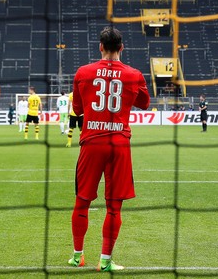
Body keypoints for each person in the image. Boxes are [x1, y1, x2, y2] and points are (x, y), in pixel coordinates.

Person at [67, 27, 150, 271]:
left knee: (82, 202)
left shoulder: (83, 72)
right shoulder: (134, 74)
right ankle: (105, 261)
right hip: (119, 145)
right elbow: (144, 103)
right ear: (121, 48)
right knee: (114, 206)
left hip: (92, 142)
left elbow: (79, 109)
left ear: (100, 47)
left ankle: (77, 256)